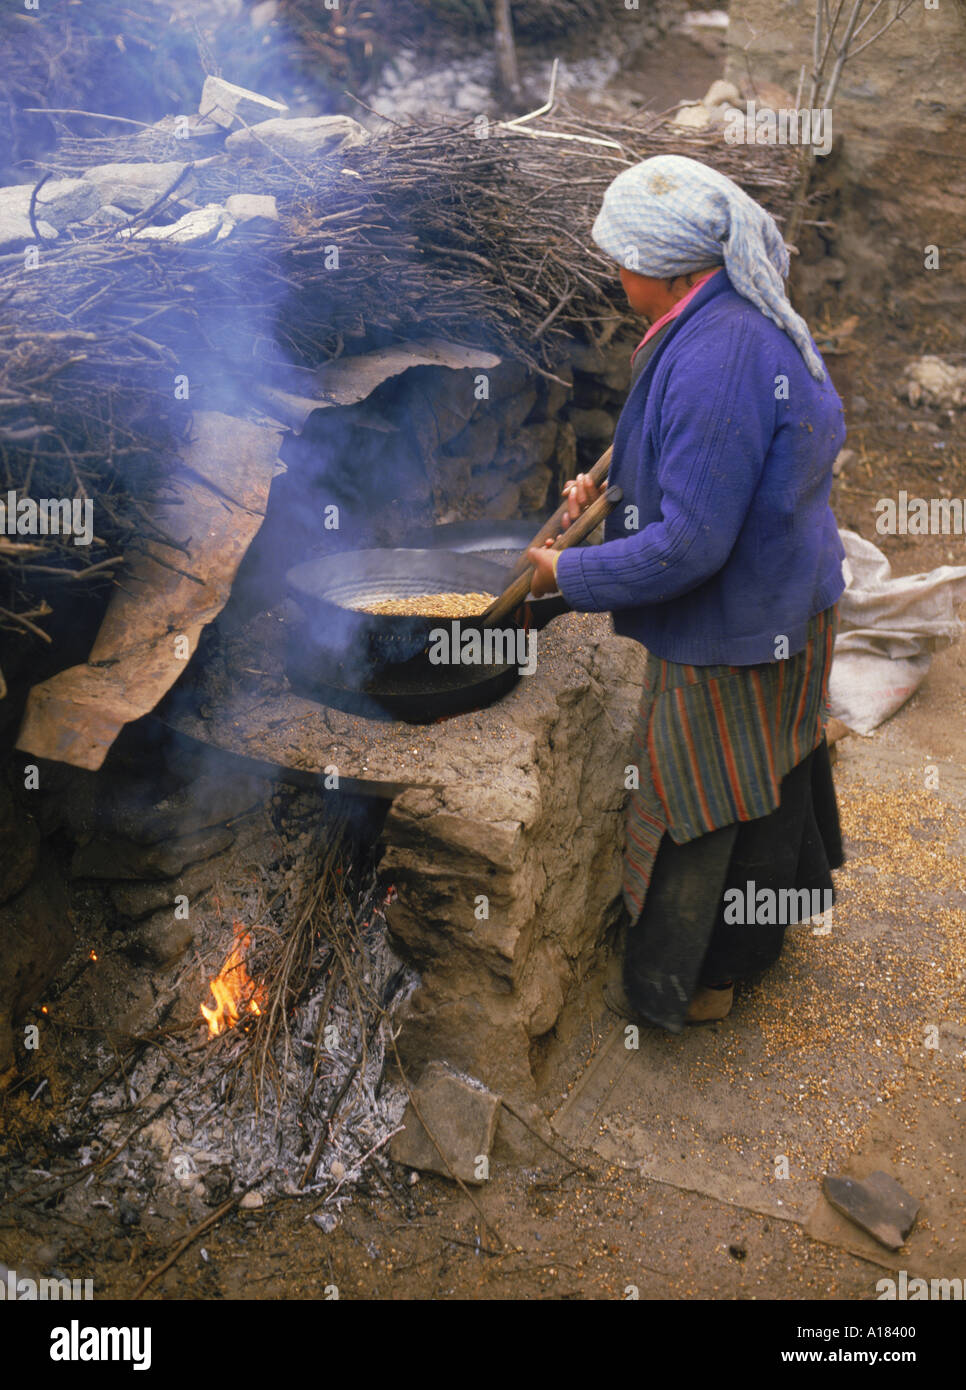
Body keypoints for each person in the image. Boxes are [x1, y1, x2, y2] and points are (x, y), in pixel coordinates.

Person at [527, 154, 846, 1031]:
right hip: (787, 598)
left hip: (744, 627)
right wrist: (612, 484)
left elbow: (695, 545)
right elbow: (704, 469)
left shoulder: (720, 359)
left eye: (621, 261)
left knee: (705, 801)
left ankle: (700, 980)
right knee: (769, 775)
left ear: (671, 272)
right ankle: (756, 947)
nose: (613, 275)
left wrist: (570, 574)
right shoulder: (725, 316)